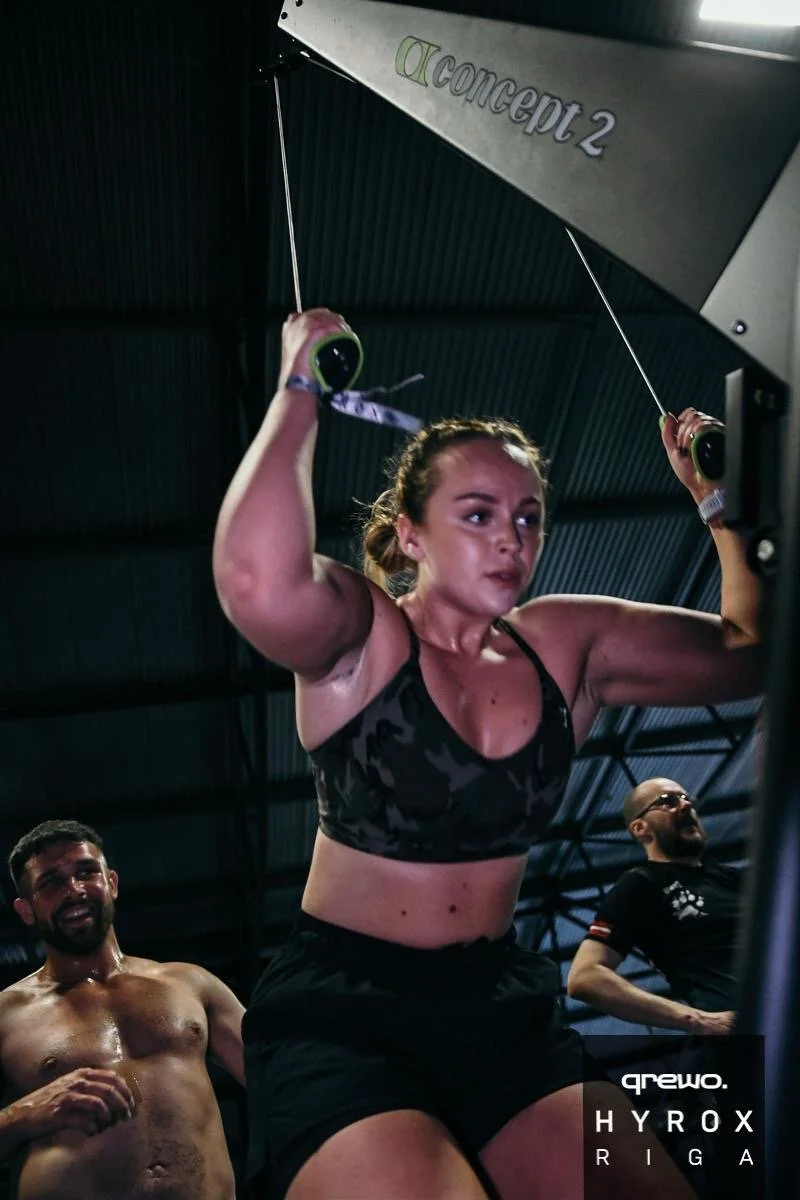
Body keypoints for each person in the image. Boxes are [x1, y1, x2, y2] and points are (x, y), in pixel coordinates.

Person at [213, 307, 762, 1200]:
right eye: (477, 514)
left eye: (528, 517)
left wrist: (719, 508)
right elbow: (256, 582)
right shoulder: (365, 639)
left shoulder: (562, 643)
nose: (511, 538)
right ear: (410, 533)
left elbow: (749, 650)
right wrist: (302, 383)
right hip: (344, 1015)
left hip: (503, 1003)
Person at [0, 820, 246, 1200]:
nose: (75, 890)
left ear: (111, 882)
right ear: (26, 909)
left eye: (86, 872)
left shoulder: (191, 983)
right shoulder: (6, 1014)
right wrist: (23, 1114)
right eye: (51, 882)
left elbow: (284, 1080)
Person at [567, 777, 742, 1031]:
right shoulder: (642, 885)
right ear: (640, 828)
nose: (684, 806)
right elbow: (585, 977)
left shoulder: (735, 879)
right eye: (667, 801)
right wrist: (698, 1019)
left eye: (686, 799)